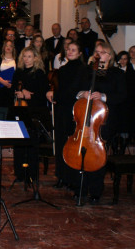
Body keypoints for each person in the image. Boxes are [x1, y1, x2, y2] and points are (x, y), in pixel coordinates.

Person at [71, 42, 126, 204]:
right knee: (81, 153)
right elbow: (76, 90)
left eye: (102, 52)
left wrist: (103, 97)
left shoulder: (117, 73)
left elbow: (122, 96)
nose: (98, 54)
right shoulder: (86, 71)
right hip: (84, 119)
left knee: (98, 155)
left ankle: (95, 190)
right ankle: (80, 188)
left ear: (110, 56)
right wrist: (83, 93)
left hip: (103, 121)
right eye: (96, 52)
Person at [46, 41, 85, 188]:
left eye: (74, 50)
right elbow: (59, 87)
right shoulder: (62, 69)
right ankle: (61, 176)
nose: (70, 52)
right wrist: (52, 93)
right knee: (61, 143)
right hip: (61, 109)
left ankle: (72, 178)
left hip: (74, 110)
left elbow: (73, 90)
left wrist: (55, 95)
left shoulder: (82, 69)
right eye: (68, 49)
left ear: (80, 53)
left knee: (72, 144)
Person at [12, 46, 49, 182]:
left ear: (35, 58)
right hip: (19, 109)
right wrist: (18, 93)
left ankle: (32, 175)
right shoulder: (19, 72)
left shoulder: (39, 73)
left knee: (32, 144)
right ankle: (20, 174)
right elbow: (13, 89)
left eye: (29, 56)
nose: (26, 59)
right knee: (19, 143)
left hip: (34, 112)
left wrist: (29, 96)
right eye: (24, 56)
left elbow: (43, 94)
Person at [114, 50, 135, 154]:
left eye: (125, 59)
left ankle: (122, 150)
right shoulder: (114, 71)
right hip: (116, 104)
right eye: (121, 58)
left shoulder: (131, 72)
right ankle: (114, 150)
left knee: (125, 127)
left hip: (127, 104)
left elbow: (132, 89)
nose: (123, 61)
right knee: (115, 127)